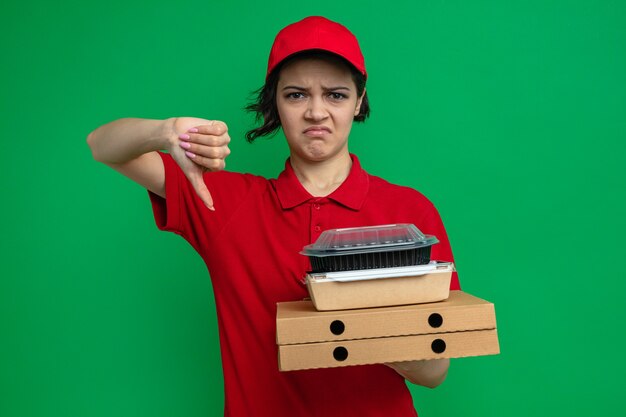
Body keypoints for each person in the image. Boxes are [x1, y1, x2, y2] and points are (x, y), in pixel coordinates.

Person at [88, 16, 460, 417]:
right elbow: (101, 146)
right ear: (275, 103)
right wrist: (165, 131)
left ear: (359, 99)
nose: (316, 112)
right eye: (297, 95)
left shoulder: (410, 212)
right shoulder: (222, 202)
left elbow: (436, 371)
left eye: (335, 95)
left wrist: (372, 332)